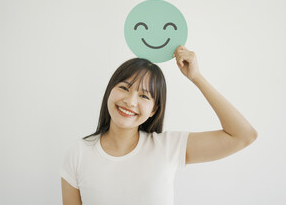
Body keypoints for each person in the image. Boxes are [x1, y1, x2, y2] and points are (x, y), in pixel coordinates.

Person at [59, 46, 258, 205]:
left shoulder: (168, 146)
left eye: (144, 95)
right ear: (110, 91)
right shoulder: (79, 153)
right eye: (124, 88)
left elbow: (243, 135)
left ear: (154, 110)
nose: (130, 101)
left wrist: (196, 77)